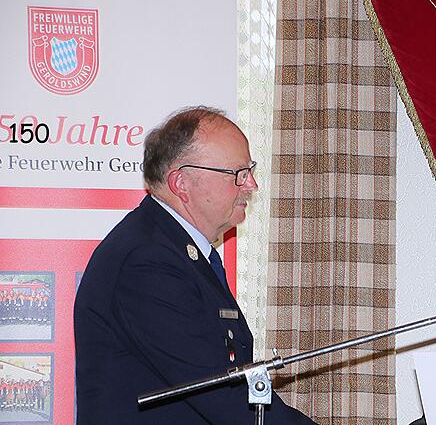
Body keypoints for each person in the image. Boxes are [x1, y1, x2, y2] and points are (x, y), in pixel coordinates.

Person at [74, 107, 315, 424]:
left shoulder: (176, 251)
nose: (251, 185)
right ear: (181, 183)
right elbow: (223, 396)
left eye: (250, 170)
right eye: (237, 174)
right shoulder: (147, 262)